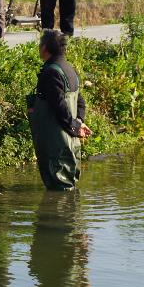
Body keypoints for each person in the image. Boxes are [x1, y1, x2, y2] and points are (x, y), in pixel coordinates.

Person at [27, 30, 92, 190]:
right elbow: (80, 101)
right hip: (69, 140)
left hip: (57, 142)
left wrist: (74, 125)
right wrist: (79, 123)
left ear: (45, 48)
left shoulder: (51, 72)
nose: (39, 47)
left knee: (59, 189)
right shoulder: (69, 69)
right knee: (69, 185)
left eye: (40, 44)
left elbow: (59, 106)